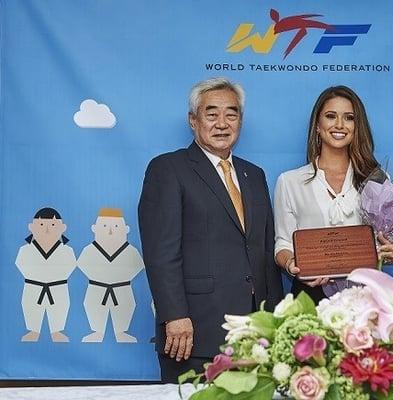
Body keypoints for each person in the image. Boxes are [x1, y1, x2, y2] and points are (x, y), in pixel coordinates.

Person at [138, 77, 283, 383]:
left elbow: (263, 251)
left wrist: (275, 320)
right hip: (194, 333)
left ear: (240, 121)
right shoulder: (168, 169)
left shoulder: (254, 175)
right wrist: (174, 316)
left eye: (231, 114)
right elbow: (160, 253)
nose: (222, 123)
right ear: (193, 120)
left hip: (254, 332)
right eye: (211, 113)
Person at [273, 85, 393, 304]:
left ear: (356, 126)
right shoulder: (290, 181)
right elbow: (282, 243)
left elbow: (389, 242)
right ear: (317, 125)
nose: (340, 125)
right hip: (310, 296)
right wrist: (292, 265)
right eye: (331, 116)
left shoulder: (377, 179)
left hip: (365, 298)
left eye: (349, 118)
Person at [78, 207, 144, 343]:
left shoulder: (130, 251)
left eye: (115, 226)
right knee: (93, 306)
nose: (110, 230)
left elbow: (138, 266)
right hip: (97, 288)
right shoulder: (89, 250)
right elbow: (83, 265)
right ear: (94, 228)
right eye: (104, 226)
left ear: (126, 229)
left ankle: (121, 332)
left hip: (122, 288)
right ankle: (97, 331)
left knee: (125, 306)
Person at [15, 207, 76, 342]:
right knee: (30, 306)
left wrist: (52, 276)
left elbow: (71, 266)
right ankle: (33, 330)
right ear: (31, 227)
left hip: (58, 286)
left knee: (60, 307)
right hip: (33, 286)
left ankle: (57, 331)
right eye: (41, 225)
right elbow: (20, 264)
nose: (47, 230)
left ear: (62, 228)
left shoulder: (67, 250)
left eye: (53, 225)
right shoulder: (25, 250)